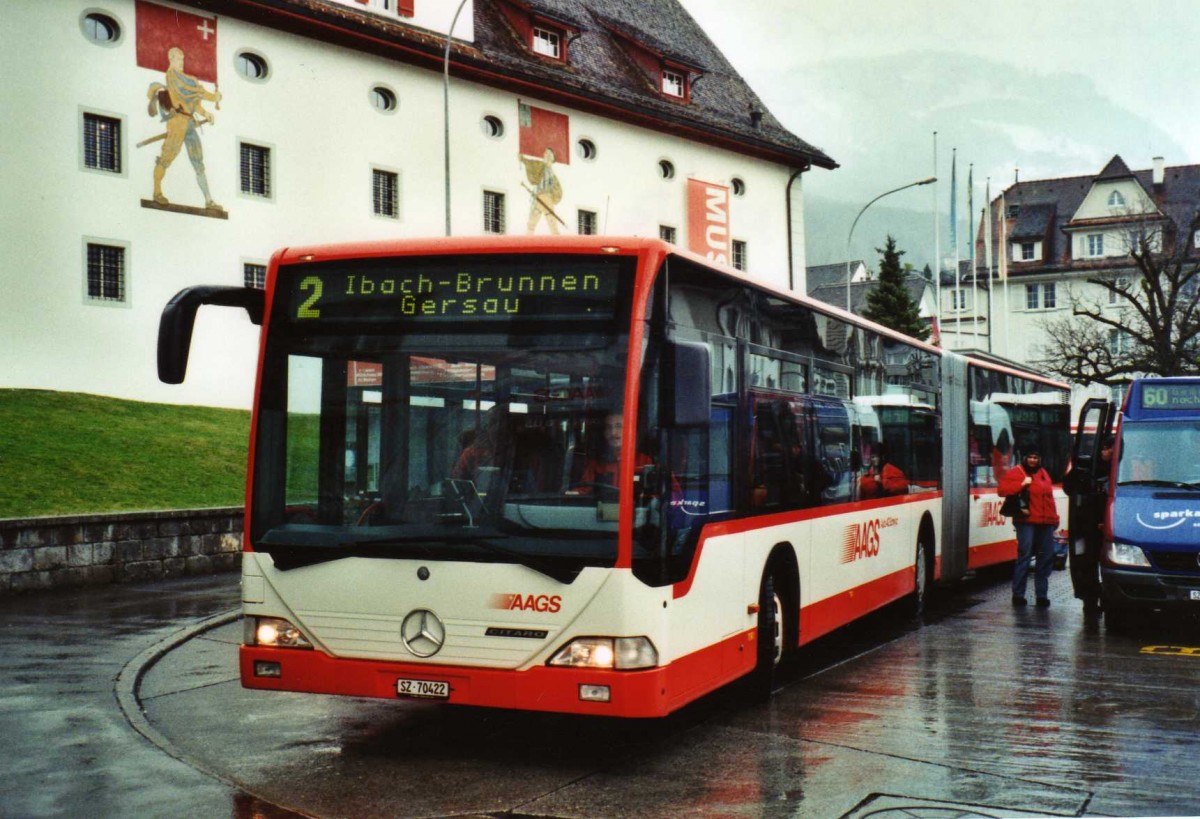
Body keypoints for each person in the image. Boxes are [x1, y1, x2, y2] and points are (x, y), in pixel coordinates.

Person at [144, 47, 222, 210]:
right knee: (166, 158)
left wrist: (206, 113)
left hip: (190, 124)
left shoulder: (188, 78)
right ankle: (157, 192)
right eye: (178, 59)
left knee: (198, 161)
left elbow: (194, 103)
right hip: (177, 122)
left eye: (182, 59)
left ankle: (209, 200)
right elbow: (189, 92)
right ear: (171, 59)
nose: (181, 62)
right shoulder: (172, 76)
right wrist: (212, 97)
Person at [999, 447, 1060, 608]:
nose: (1033, 460)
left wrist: (1055, 519)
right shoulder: (1016, 472)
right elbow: (1002, 490)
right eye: (1030, 457)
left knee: (1045, 558)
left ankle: (1041, 595)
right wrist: (1021, 484)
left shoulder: (1043, 473)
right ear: (1025, 458)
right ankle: (1018, 595)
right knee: (1024, 556)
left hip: (1045, 522)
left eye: (1036, 457)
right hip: (1026, 521)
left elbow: (1049, 499)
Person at [1064, 435, 1114, 616]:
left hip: (1107, 523)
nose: (1113, 454)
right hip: (1087, 525)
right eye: (1111, 450)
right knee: (1087, 562)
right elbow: (1068, 487)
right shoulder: (1087, 466)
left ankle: (1106, 599)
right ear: (1104, 449)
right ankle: (1090, 600)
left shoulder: (1117, 466)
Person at [573, 412, 652, 492]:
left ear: (632, 430)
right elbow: (582, 490)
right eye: (608, 427)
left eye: (619, 426)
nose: (613, 433)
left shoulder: (644, 461)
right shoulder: (595, 464)